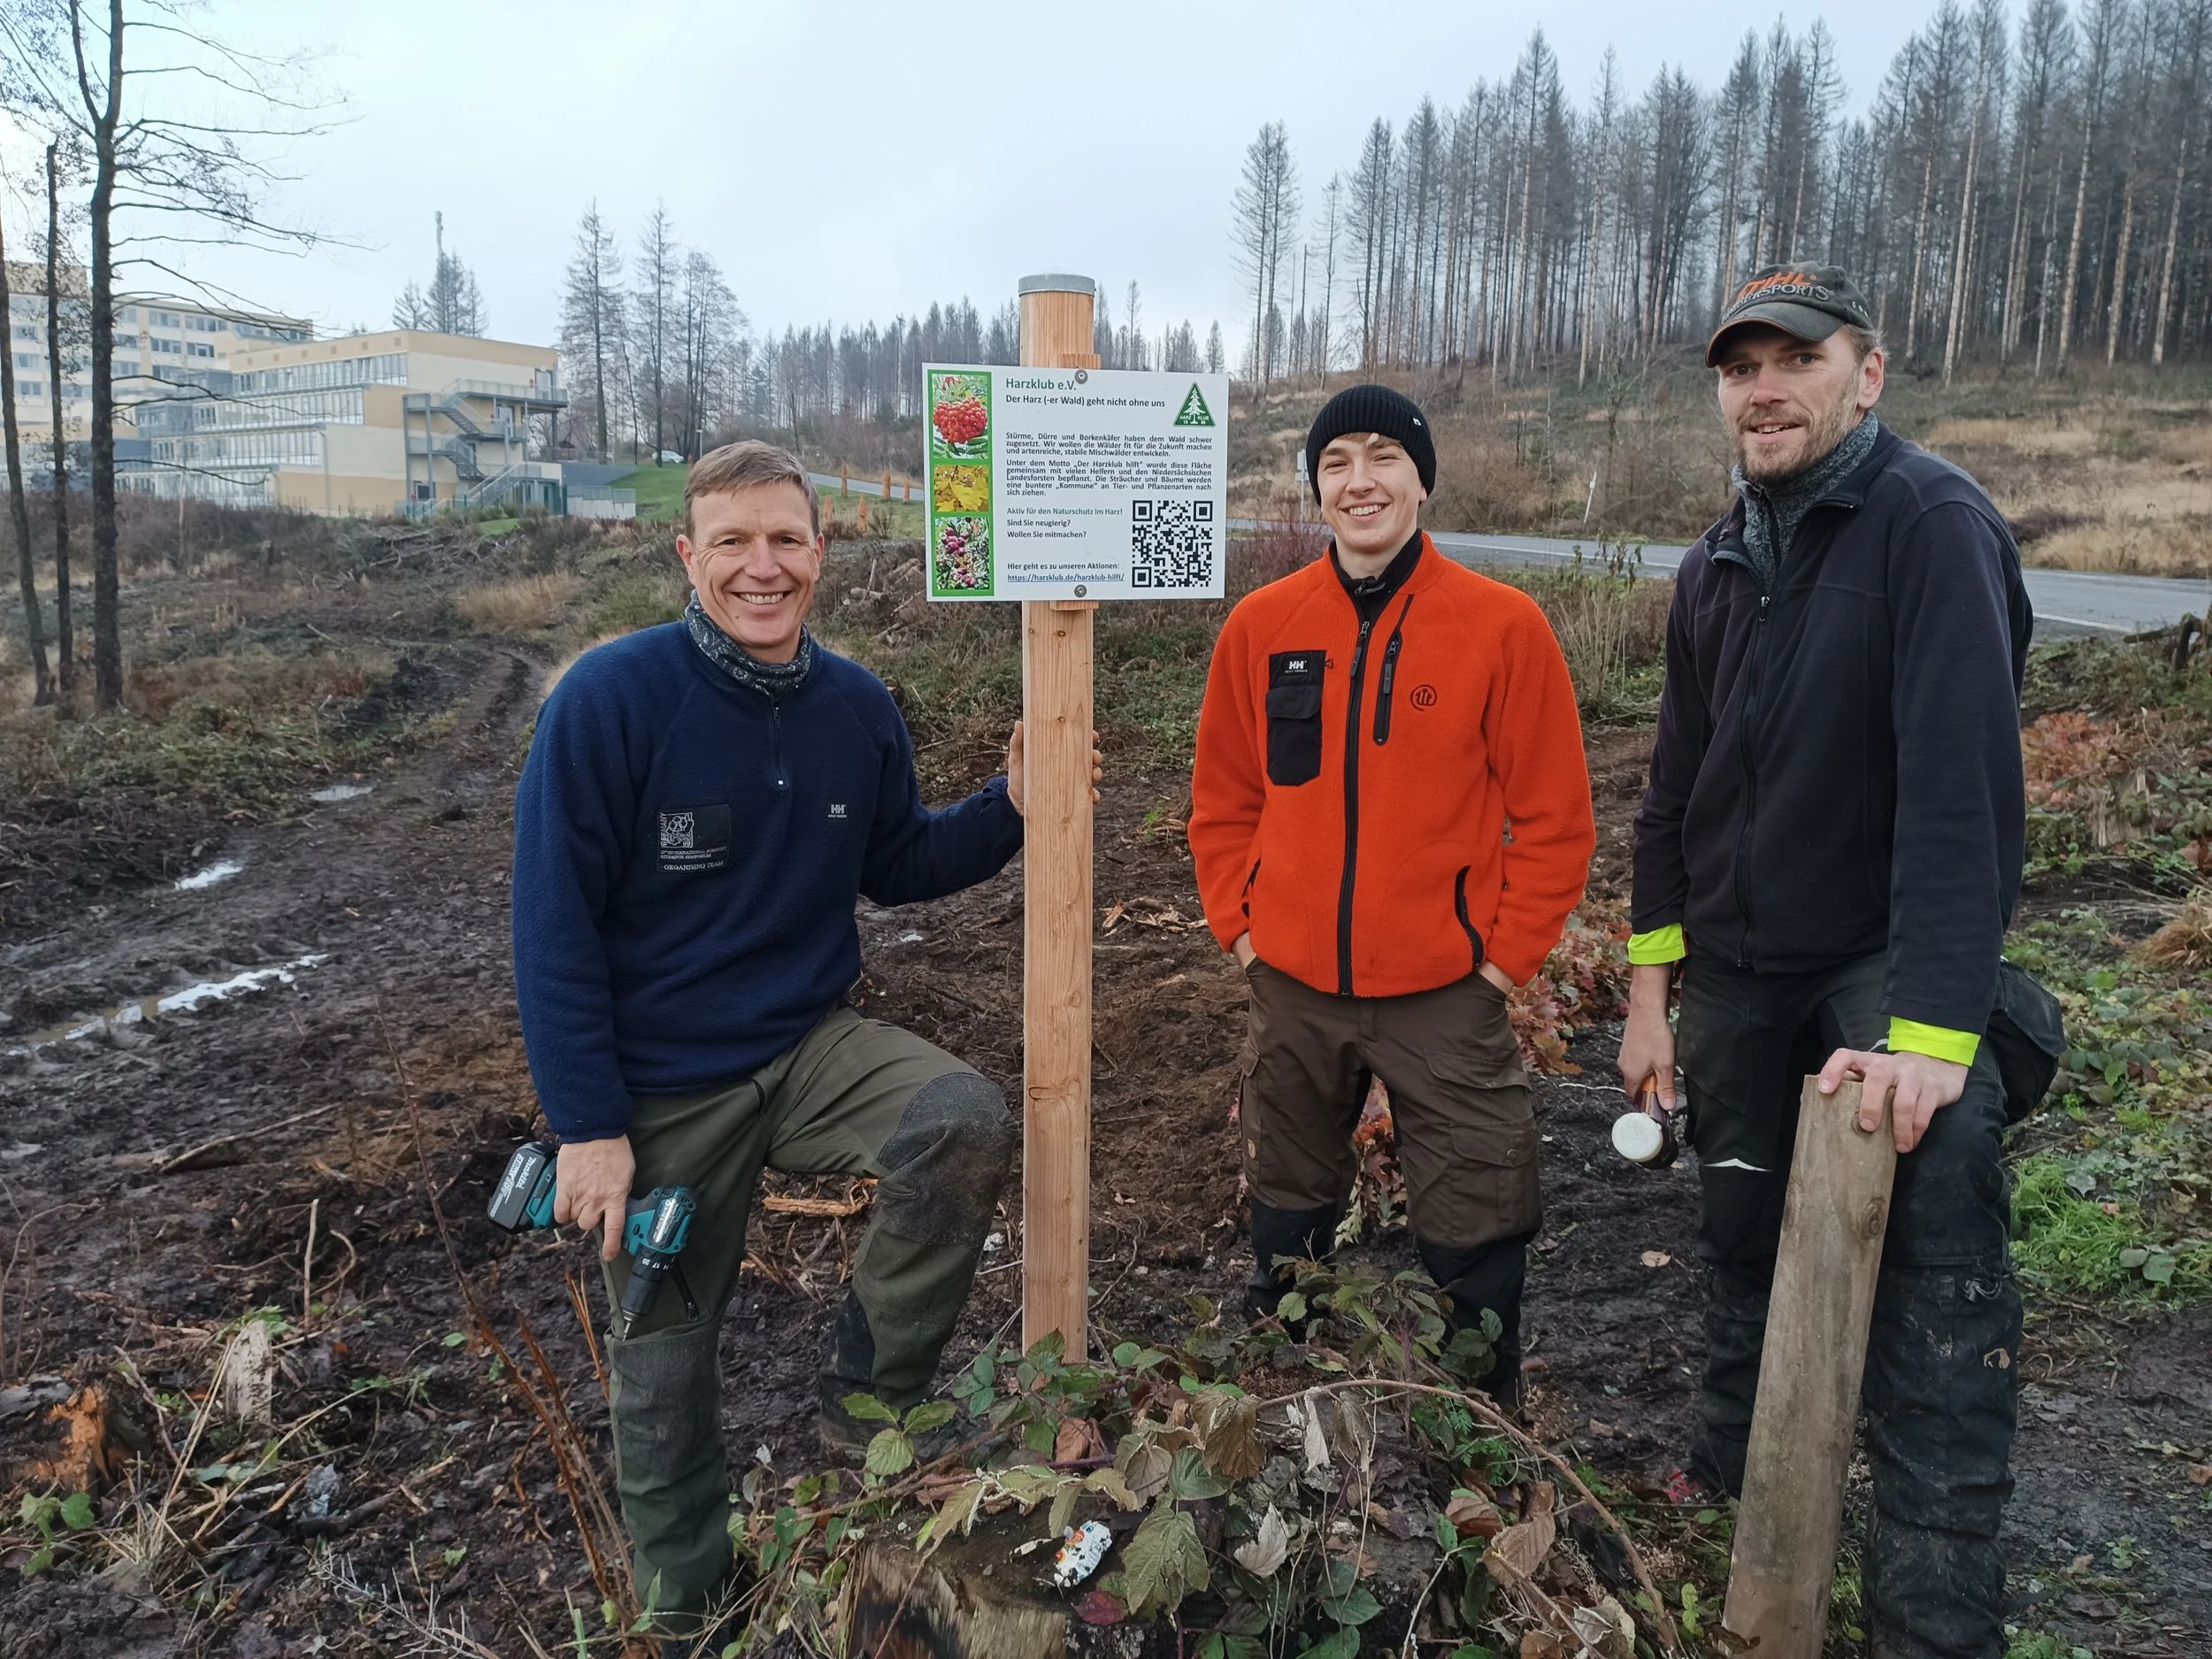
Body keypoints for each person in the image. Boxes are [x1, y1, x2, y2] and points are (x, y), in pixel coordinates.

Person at [511, 441, 1041, 1646]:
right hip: (662, 1083)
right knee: (660, 1368)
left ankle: (869, 1401)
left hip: (805, 1046)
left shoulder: (854, 705)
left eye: (787, 540)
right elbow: (552, 927)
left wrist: (1010, 804)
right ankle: (692, 1603)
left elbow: (899, 860)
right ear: (687, 555)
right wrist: (589, 1126)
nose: (765, 567)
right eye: (735, 542)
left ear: (822, 548)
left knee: (958, 1115)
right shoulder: (612, 700)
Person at [1617, 264, 2032, 1659]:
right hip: (1736, 967)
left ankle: (1931, 1601)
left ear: (1869, 370)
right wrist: (1651, 992)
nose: (1763, 388)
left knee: (1935, 1216)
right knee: (1738, 1232)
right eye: (1739, 368)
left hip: (1877, 956)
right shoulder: (1715, 559)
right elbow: (1671, 798)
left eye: (1794, 358)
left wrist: (1931, 1028)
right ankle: (1737, 1503)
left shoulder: (1930, 525)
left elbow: (1962, 797)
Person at [1188, 384, 1595, 1406]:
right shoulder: (1261, 625)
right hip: (1292, 983)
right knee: (1285, 1185)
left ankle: (1480, 1406)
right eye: (1336, 463)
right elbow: (1223, 801)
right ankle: (1286, 1385)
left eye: (1381, 457)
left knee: (1478, 1195)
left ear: (1420, 478)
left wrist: (1500, 964)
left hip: (1443, 990)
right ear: (1315, 486)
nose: (1358, 481)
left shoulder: (1501, 627)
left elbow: (1554, 819)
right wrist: (1243, 933)